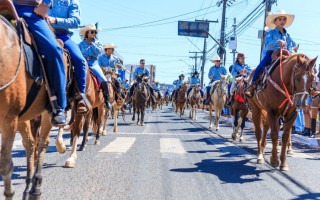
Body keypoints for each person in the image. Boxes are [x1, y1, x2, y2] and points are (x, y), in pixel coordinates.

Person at [14, 0, 66, 125]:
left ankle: (58, 105)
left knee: (53, 50)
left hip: (29, 11)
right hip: (4, 10)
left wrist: (46, 4)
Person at [47, 0, 88, 114]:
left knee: (79, 60)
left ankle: (80, 96)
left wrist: (55, 20)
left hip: (63, 35)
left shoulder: (72, 2)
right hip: (45, 33)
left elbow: (76, 21)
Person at [244, 10, 297, 97]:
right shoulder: (270, 33)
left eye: (284, 19)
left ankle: (299, 90)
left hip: (286, 55)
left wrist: (291, 55)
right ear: (275, 21)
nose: (282, 21)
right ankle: (252, 86)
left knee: (297, 68)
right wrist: (278, 42)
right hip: (272, 54)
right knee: (260, 66)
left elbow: (290, 46)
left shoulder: (288, 35)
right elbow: (267, 45)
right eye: (279, 19)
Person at [78, 24, 112, 109]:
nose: (94, 33)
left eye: (95, 32)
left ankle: (107, 100)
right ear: (87, 33)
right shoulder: (81, 44)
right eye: (92, 32)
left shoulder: (98, 42)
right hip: (83, 63)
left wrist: (91, 44)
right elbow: (78, 54)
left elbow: (99, 52)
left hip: (94, 63)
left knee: (103, 79)